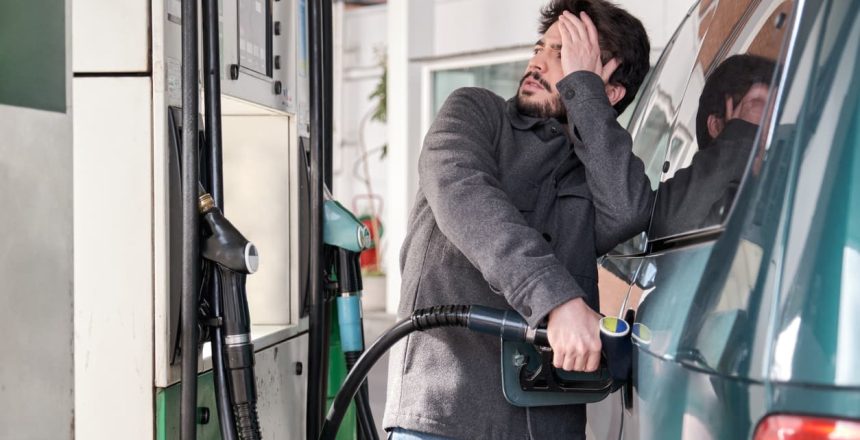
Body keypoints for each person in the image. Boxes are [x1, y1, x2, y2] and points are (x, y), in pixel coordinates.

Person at [383, 1, 652, 439]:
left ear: (609, 90)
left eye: (563, 53)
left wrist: (583, 92)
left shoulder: (597, 169)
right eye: (539, 47)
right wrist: (557, 300)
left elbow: (628, 210)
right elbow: (462, 192)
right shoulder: (475, 110)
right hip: (445, 414)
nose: (538, 62)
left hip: (549, 422)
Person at [651, 54, 776, 238]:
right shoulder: (706, 206)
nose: (771, 128)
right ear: (717, 126)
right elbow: (670, 228)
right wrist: (739, 138)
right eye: (758, 109)